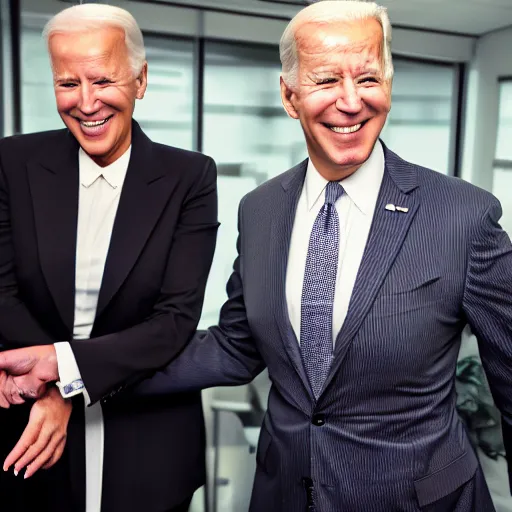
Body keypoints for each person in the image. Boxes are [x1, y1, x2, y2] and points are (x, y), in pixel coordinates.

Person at [3, 0, 512, 511]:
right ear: (290, 97)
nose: (351, 101)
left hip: (422, 501)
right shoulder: (261, 209)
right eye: (326, 80)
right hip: (284, 494)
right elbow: (236, 346)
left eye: (369, 78)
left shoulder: (463, 216)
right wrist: (72, 371)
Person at [0, 4, 218, 512]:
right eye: (67, 83)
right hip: (30, 433)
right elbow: (2, 291)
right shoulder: (13, 162)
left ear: (140, 80)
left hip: (149, 439)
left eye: (103, 79)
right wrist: (52, 392)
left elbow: (174, 320)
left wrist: (61, 367)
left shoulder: (190, 177)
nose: (87, 101)